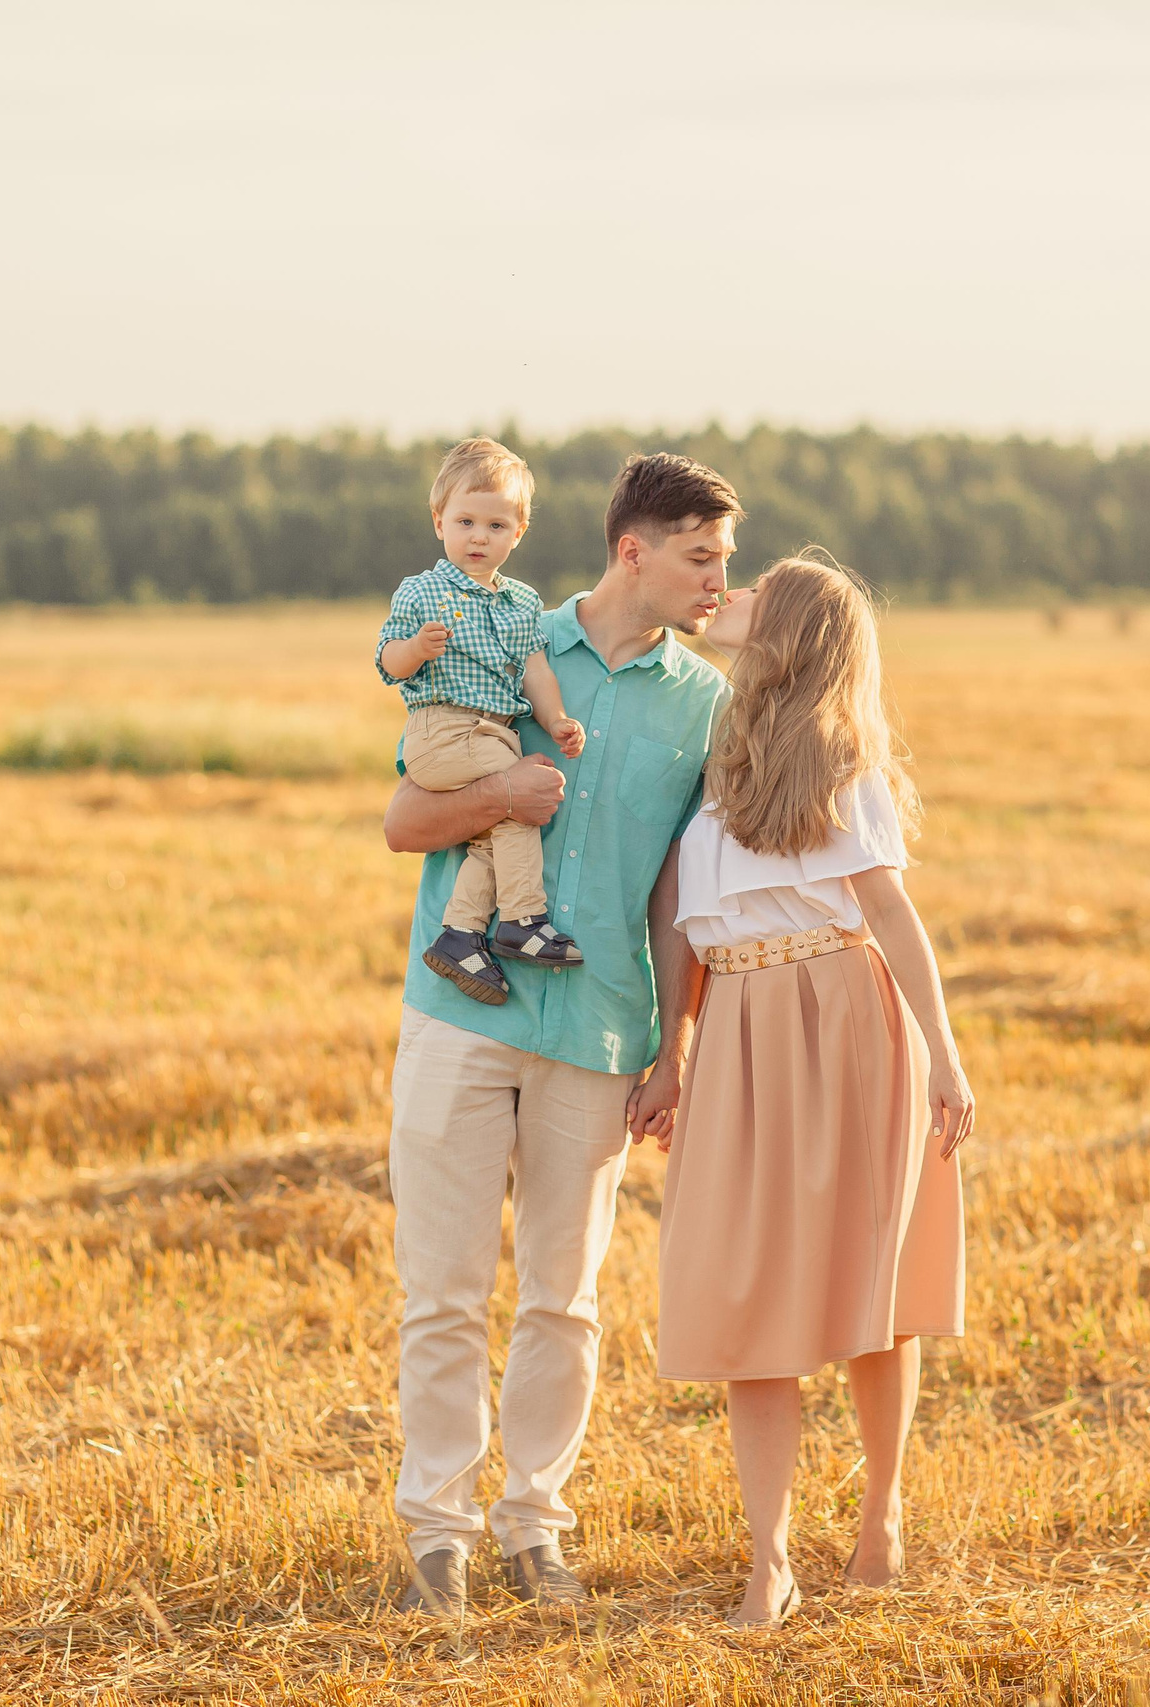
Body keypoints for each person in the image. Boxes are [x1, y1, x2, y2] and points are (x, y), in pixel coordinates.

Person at [378, 453, 743, 1613]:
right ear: (632, 550)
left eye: (724, 559)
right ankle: (434, 1532)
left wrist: (673, 1051)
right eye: (701, 555)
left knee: (561, 1299)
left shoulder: (705, 705)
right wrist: (505, 794)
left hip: (599, 1030)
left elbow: (680, 898)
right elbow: (404, 819)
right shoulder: (498, 628)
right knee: (440, 1290)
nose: (717, 580)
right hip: (460, 1013)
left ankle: (534, 1526)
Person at [651, 551, 975, 1630]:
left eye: (749, 591)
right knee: (749, 1297)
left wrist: (946, 1055)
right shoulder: (714, 757)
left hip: (844, 1025)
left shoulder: (841, 765)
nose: (723, 595)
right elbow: (682, 935)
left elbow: (892, 921)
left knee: (866, 1288)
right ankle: (770, 1557)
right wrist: (669, 1055)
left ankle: (881, 1512)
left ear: (786, 631)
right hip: (739, 1033)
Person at [376, 438, 588, 1004]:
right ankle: (523, 919)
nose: (478, 537)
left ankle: (461, 935)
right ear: (438, 521)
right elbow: (387, 662)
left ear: (517, 533)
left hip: (491, 731)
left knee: (496, 834)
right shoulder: (422, 591)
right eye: (465, 521)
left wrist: (559, 717)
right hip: (441, 730)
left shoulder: (522, 603)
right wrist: (417, 649)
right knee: (516, 795)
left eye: (496, 526)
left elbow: (536, 672)